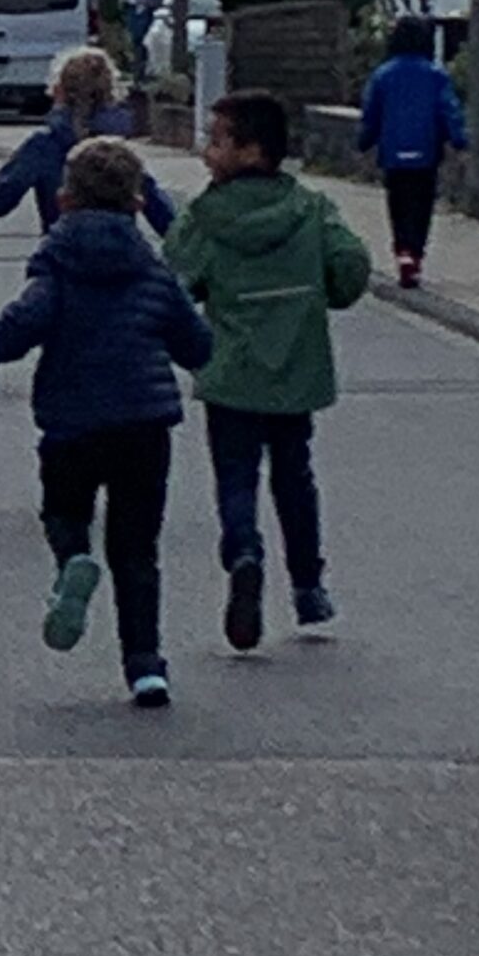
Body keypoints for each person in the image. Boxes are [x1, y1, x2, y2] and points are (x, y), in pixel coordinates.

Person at [0, 138, 212, 709]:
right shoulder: (154, 277)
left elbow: (15, 328)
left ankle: (72, 563)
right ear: (138, 207)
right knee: (137, 550)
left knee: (65, 513)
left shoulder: (58, 270)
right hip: (144, 424)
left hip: (71, 425)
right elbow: (197, 346)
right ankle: (146, 667)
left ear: (62, 201)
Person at [164, 89, 371, 652]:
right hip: (296, 370)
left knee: (236, 476)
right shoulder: (311, 209)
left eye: (216, 142)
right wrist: (316, 295)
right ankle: (308, 587)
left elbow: (176, 278)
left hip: (231, 370)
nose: (207, 153)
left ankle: (245, 553)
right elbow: (350, 268)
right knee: (294, 476)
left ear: (250, 151)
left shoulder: (207, 217)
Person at [0, 47, 172, 255]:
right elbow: (160, 210)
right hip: (122, 261)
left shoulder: (44, 145)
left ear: (58, 91)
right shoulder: (118, 150)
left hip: (62, 260)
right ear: (110, 94)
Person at [358, 16, 468, 287]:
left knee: (398, 203)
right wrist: (459, 140)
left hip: (393, 154)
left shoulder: (383, 75)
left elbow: (371, 114)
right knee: (421, 205)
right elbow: (449, 110)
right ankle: (416, 254)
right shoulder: (436, 75)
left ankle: (403, 251)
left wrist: (364, 141)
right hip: (426, 153)